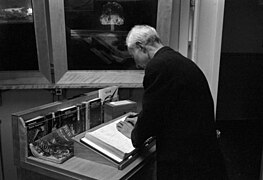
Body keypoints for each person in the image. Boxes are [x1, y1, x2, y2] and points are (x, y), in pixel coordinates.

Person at [116, 25, 228, 180]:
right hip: (203, 153)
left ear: (141, 47)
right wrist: (140, 118)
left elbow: (153, 114)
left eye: (134, 56)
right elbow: (165, 104)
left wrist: (134, 135)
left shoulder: (158, 66)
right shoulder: (179, 61)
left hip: (185, 161)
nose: (136, 64)